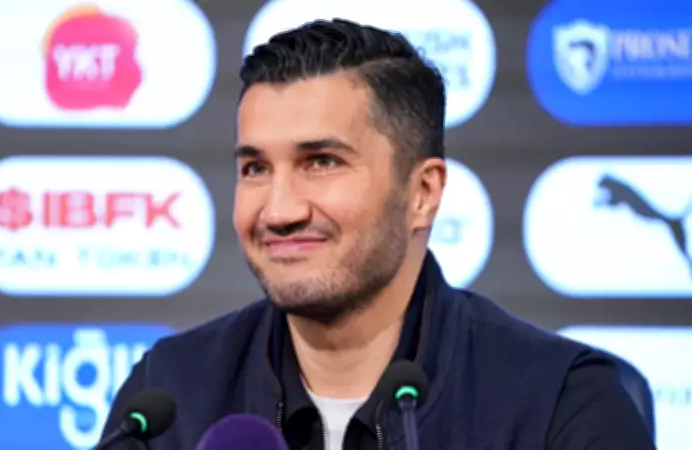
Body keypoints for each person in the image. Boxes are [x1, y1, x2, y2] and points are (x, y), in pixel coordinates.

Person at [102, 18, 655, 450]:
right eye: (256, 168)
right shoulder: (168, 395)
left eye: (321, 162)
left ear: (423, 193)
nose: (279, 210)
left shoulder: (561, 402)